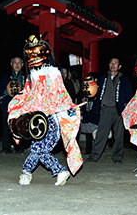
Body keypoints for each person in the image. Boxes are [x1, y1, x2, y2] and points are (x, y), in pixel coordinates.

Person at [8, 35, 82, 185]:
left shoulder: (53, 72)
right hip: (37, 118)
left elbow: (61, 95)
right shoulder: (31, 76)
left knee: (39, 149)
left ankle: (34, 172)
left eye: (36, 53)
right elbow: (28, 94)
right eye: (30, 54)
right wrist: (19, 105)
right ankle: (34, 172)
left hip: (51, 118)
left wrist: (67, 110)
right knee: (37, 148)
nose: (33, 57)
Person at [87, 58, 133, 163]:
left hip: (118, 111)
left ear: (119, 66)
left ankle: (117, 157)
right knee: (101, 134)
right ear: (109, 65)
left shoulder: (124, 80)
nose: (113, 65)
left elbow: (129, 96)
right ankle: (94, 156)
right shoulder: (102, 78)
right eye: (111, 62)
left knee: (119, 135)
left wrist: (127, 108)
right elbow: (95, 93)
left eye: (116, 63)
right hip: (105, 109)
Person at [0, 57, 26, 154]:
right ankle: (6, 148)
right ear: (11, 64)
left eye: (19, 63)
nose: (17, 65)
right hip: (8, 104)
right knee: (6, 126)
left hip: (21, 105)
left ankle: (20, 147)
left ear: (22, 65)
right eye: (15, 63)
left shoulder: (25, 77)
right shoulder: (6, 76)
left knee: (20, 126)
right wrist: (8, 91)